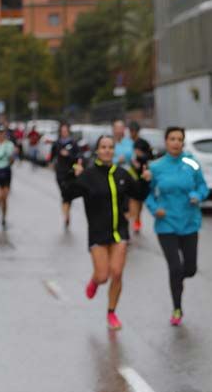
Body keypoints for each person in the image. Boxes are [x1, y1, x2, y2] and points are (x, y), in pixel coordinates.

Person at [61, 135, 149, 330]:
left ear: (114, 151)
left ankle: (111, 312)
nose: (107, 150)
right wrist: (72, 174)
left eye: (110, 147)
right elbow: (67, 193)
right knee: (103, 276)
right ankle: (94, 281)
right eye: (103, 147)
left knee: (117, 273)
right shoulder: (88, 176)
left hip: (119, 232)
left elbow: (139, 194)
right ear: (97, 151)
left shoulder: (122, 174)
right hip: (98, 232)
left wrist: (145, 181)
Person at [145, 127, 209, 326]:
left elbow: (203, 186)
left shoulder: (190, 162)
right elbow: (147, 194)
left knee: (189, 269)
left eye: (179, 139)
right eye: (172, 139)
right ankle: (177, 308)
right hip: (166, 224)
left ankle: (179, 280)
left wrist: (197, 196)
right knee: (175, 267)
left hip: (189, 222)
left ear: (183, 142)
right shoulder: (155, 167)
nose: (175, 142)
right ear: (166, 142)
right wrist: (155, 209)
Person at [50, 123, 79, 229]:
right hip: (60, 172)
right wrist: (52, 163)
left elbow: (78, 156)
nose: (64, 132)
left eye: (65, 131)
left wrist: (69, 155)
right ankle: (66, 216)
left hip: (70, 172)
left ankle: (67, 213)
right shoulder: (57, 143)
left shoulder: (73, 143)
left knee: (69, 195)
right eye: (62, 131)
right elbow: (52, 156)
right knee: (64, 193)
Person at [127, 121, 151, 233]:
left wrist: (141, 157)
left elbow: (150, 157)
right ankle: (132, 221)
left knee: (139, 201)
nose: (131, 133)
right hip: (129, 176)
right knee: (132, 200)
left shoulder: (143, 143)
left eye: (133, 131)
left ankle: (137, 219)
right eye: (130, 131)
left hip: (140, 177)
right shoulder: (127, 143)